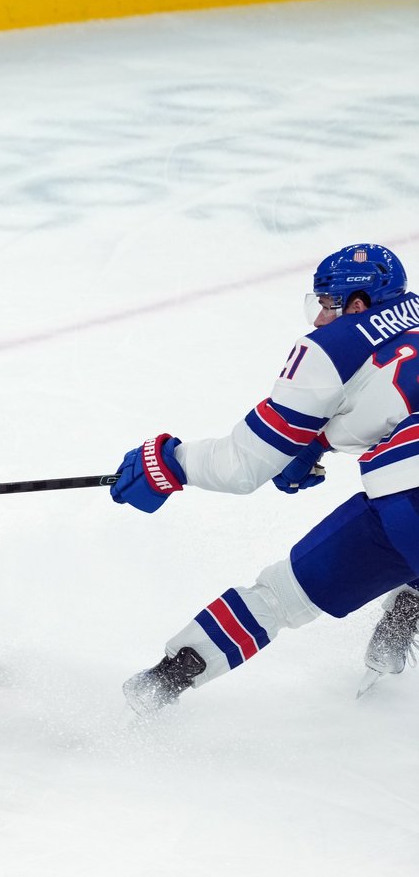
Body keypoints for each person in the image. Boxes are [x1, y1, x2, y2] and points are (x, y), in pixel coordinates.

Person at [110, 243, 419, 713]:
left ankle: (162, 683)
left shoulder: (333, 347)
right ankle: (409, 601)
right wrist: (318, 441)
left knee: (282, 596)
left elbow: (244, 465)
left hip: (408, 503)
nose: (319, 318)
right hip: (404, 500)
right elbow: (391, 403)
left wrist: (170, 463)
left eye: (328, 304)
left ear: (359, 303)